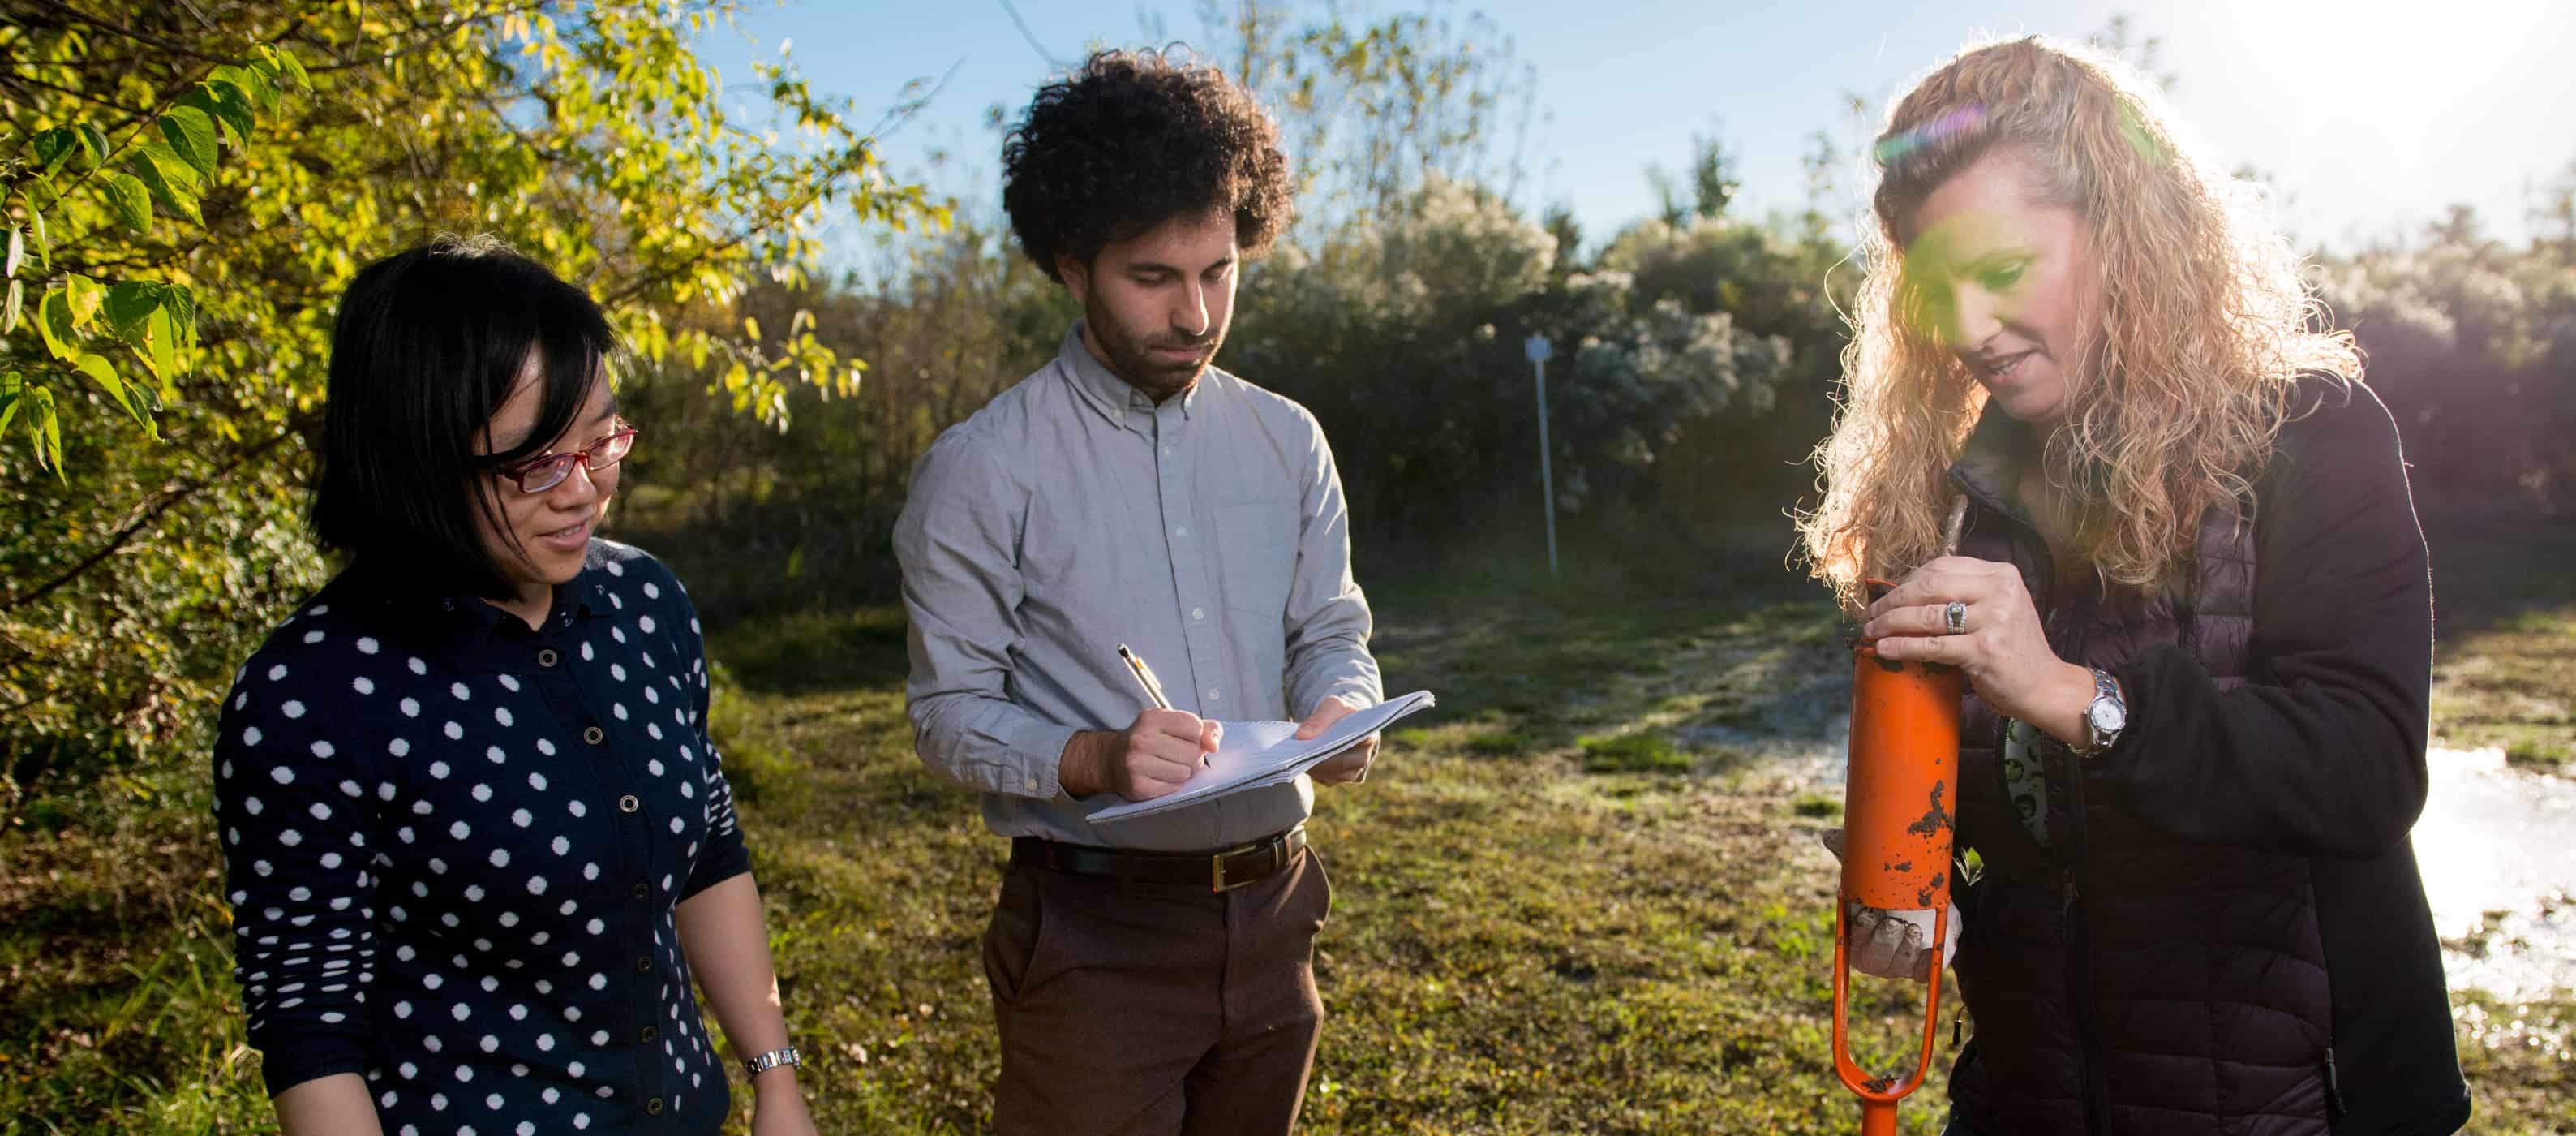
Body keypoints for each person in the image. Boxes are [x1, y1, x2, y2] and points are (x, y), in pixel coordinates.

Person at [1800, 37, 2471, 1136]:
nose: (1966, 328)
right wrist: (1926, 888)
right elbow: (1986, 821)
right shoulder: (1952, 492)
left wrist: (2080, 698)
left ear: (2127, 233)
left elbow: (2366, 767)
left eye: (2005, 268)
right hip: (2030, 1100)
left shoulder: (2308, 436)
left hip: (2298, 1107)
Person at [212, 236, 817, 1135]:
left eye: (602, 438)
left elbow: (709, 853)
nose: (584, 491)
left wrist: (776, 1080)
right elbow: (311, 1029)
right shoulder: (312, 694)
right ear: (415, 463)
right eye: (535, 462)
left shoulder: (644, 603)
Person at [893, 48, 1383, 1136]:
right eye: (1153, 279)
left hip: (1278, 909)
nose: (1197, 315)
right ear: (1073, 267)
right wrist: (1092, 757)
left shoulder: (1287, 438)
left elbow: (1331, 630)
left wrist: (1342, 705)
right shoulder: (982, 468)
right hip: (1093, 936)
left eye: (1218, 271)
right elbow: (947, 717)